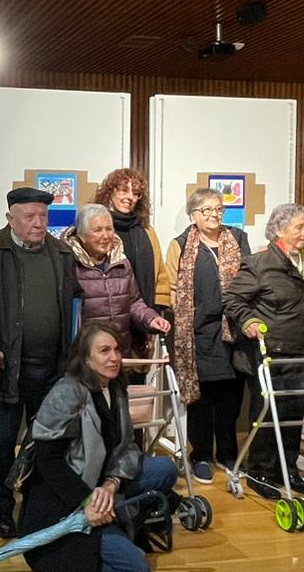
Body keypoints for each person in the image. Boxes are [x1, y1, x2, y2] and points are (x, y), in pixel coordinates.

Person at [21, 320, 178, 572]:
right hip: (65, 498)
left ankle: (115, 518)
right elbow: (48, 463)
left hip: (102, 483)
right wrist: (87, 499)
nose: (114, 357)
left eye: (117, 349)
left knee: (166, 469)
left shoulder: (115, 388)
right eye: (104, 351)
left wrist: (111, 484)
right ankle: (110, 532)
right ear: (86, 358)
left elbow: (128, 445)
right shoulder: (66, 393)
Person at [0, 186, 76, 538]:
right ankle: (0, 506)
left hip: (52, 370)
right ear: (10, 218)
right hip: (6, 370)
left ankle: (37, 502)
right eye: (30, 217)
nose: (38, 223)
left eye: (43, 216)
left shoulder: (61, 253)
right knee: (2, 443)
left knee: (46, 441)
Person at [223, 203, 304, 498]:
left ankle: (287, 469)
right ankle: (260, 472)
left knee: (294, 411)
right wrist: (250, 321)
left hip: (300, 350)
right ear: (279, 230)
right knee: (268, 413)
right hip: (268, 353)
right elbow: (232, 299)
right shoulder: (259, 264)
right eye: (299, 227)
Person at [165, 187, 250, 485]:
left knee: (230, 395)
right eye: (206, 210)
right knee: (201, 398)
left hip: (233, 330)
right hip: (198, 333)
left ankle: (228, 454)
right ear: (193, 215)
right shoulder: (180, 245)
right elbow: (173, 290)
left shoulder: (237, 239)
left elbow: (250, 278)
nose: (214, 215)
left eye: (218, 209)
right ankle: (200, 454)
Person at [65, 203, 171, 344]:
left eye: (109, 229)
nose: (106, 236)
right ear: (82, 235)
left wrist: (151, 319)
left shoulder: (121, 261)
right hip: (85, 354)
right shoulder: (69, 264)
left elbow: (133, 302)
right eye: (97, 230)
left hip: (118, 349)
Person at [91, 168, 171, 351]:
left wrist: (154, 314)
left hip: (142, 318)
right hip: (103, 322)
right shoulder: (97, 228)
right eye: (123, 190)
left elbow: (160, 274)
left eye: (136, 193)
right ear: (110, 192)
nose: (130, 197)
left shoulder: (147, 232)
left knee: (137, 375)